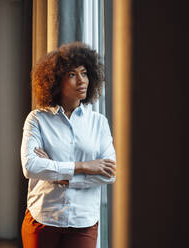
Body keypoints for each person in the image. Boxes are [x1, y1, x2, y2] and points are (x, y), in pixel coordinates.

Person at [21, 42, 117, 248]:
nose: (81, 80)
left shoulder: (99, 123)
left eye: (84, 73)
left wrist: (62, 178)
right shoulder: (37, 119)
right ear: (55, 81)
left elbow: (110, 173)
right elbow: (30, 167)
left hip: (83, 222)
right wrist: (83, 166)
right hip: (43, 217)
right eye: (72, 75)